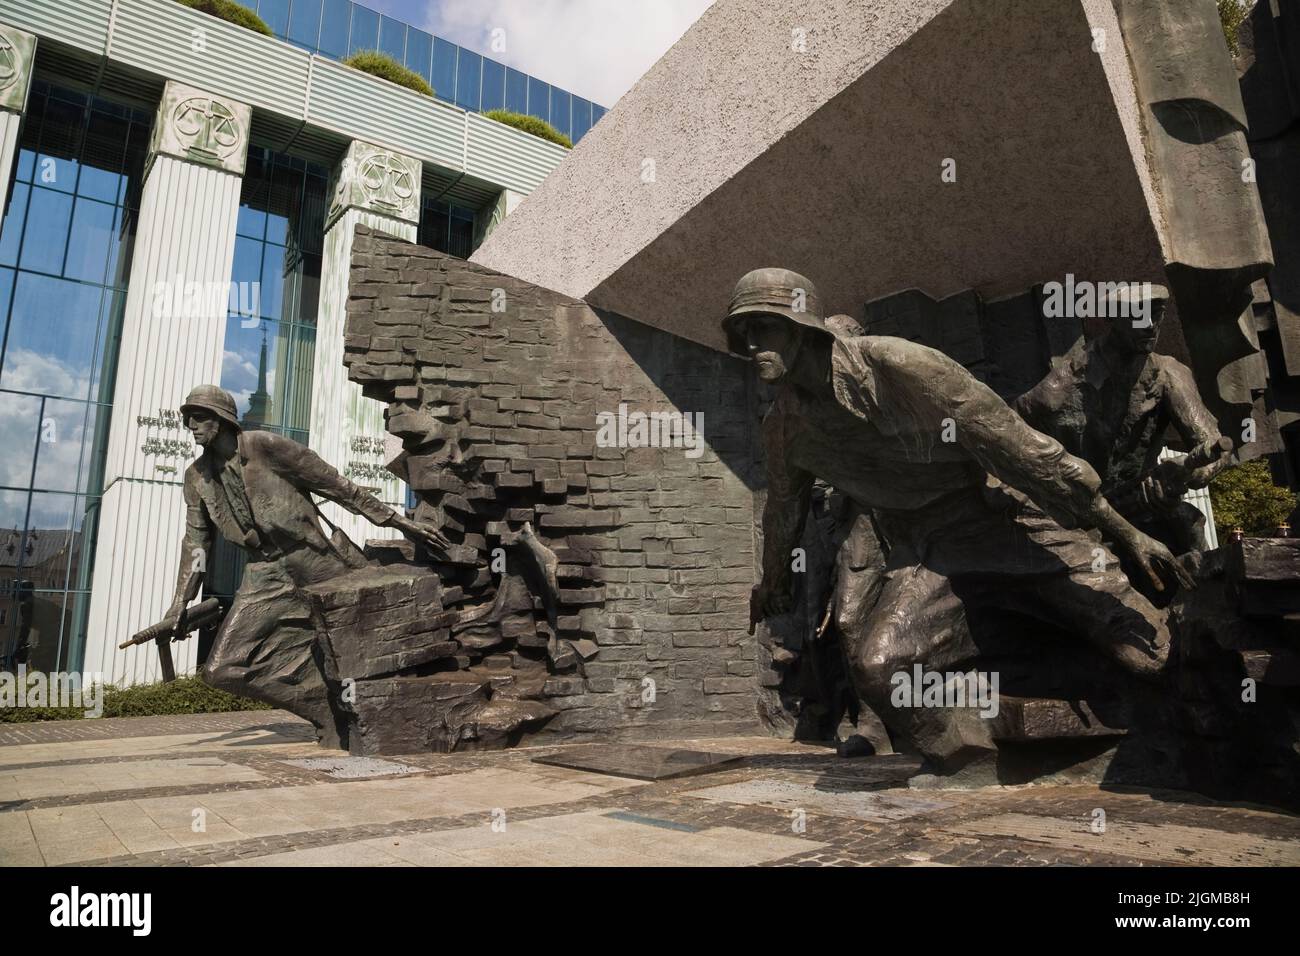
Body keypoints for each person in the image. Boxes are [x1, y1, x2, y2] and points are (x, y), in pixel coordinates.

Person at [729, 268, 1193, 768]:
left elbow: (1020, 446)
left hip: (1014, 523)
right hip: (933, 552)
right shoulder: (784, 429)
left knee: (1150, 653)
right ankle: (972, 759)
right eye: (746, 332)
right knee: (879, 667)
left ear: (803, 327)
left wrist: (1125, 532)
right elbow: (783, 513)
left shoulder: (898, 364)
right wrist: (769, 584)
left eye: (766, 327)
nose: (754, 344)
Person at [161, 385, 449, 746]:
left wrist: (397, 521)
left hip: (316, 560)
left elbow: (337, 487)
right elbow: (196, 543)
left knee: (359, 644)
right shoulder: (196, 477)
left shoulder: (266, 447)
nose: (190, 425)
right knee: (221, 670)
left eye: (198, 417)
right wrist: (179, 602)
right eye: (188, 418)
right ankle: (327, 710)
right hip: (264, 572)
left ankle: (388, 711)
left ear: (222, 420)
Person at [1015, 284, 1232, 558]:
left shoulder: (1169, 373)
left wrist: (1190, 473)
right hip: (1076, 522)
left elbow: (1214, 446)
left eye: (1157, 315)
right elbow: (1010, 434)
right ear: (1113, 319)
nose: (1151, 326)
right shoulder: (1064, 382)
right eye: (1138, 316)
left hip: (1146, 510)